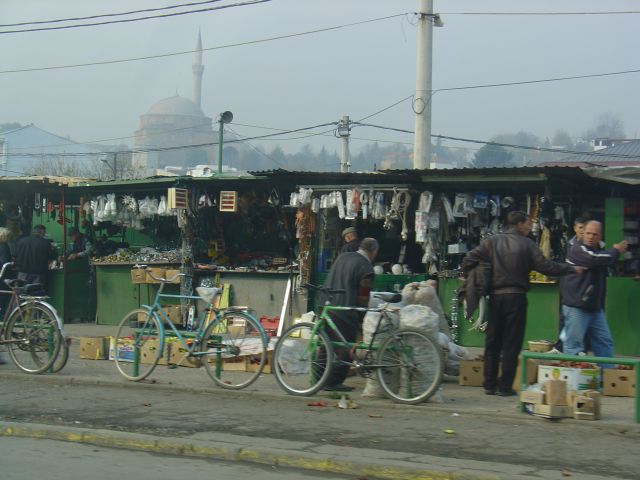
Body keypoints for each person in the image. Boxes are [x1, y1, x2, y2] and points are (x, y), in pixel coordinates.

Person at [462, 211, 581, 396]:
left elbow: (469, 258)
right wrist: (570, 269)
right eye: (527, 223)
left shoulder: (492, 242)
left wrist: (477, 273)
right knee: (511, 343)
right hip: (516, 298)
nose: (529, 227)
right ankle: (505, 387)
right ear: (518, 224)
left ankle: (489, 385)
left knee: (492, 341)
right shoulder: (527, 244)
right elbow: (546, 267)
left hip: (495, 298)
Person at [559, 221, 627, 361]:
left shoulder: (600, 251)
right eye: (588, 233)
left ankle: (608, 378)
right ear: (583, 233)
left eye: (595, 234)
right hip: (577, 306)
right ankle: (573, 382)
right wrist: (616, 251)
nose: (590, 236)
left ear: (600, 236)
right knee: (574, 347)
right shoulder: (577, 249)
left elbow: (601, 259)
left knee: (604, 343)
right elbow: (593, 259)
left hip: (594, 308)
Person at [321, 237, 378, 391]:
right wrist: (362, 318)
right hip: (345, 309)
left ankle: (319, 378)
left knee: (325, 343)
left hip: (328, 303)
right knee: (345, 346)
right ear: (373, 252)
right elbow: (363, 296)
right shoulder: (366, 267)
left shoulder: (343, 256)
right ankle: (333, 382)